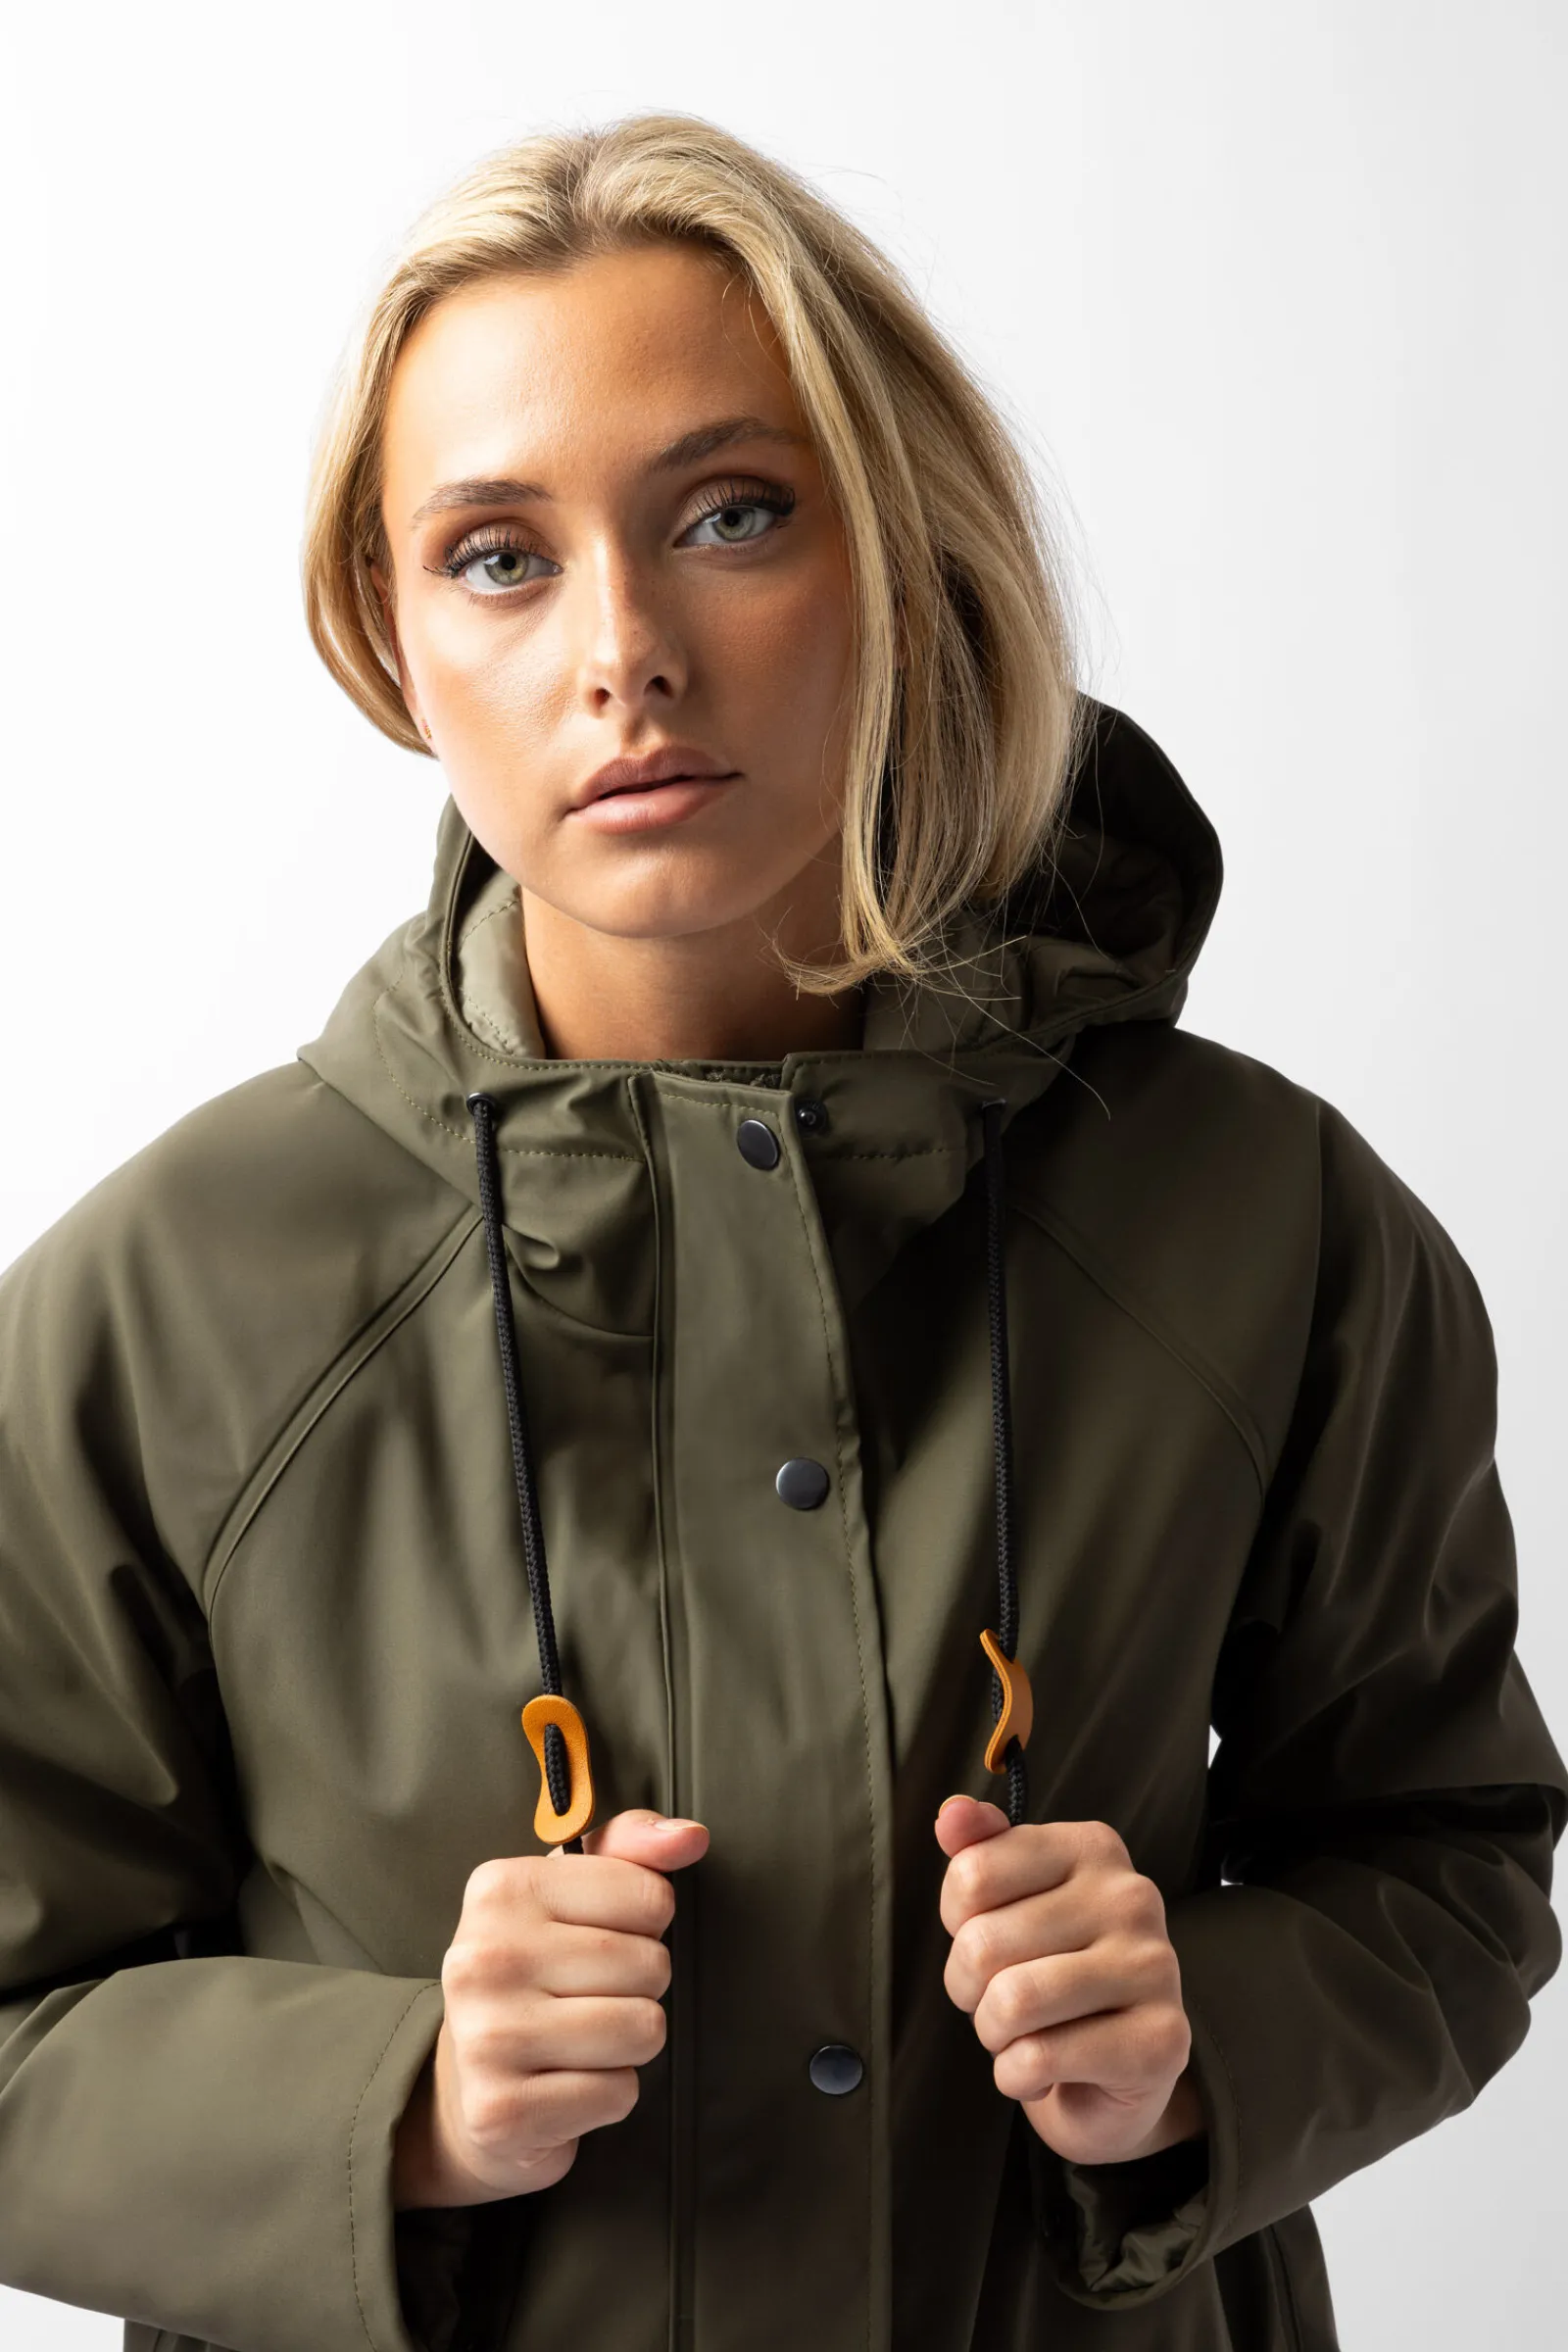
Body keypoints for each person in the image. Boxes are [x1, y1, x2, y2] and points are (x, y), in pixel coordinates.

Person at [0, 110, 1561, 2352]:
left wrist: (1193, 2045)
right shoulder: (167, 1300)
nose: (621, 652)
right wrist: (385, 2106)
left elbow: (1446, 1856)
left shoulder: (1262, 1226)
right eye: (496, 557)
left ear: (903, 552)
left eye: (729, 514)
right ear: (391, 639)